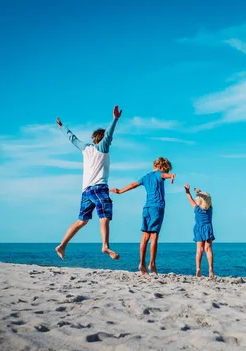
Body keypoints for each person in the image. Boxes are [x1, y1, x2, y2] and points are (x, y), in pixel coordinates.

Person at [54, 105, 123, 261]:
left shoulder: (86, 148)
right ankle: (105, 245)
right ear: (102, 139)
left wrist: (61, 127)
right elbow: (109, 135)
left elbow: (72, 138)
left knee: (81, 220)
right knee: (105, 215)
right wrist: (115, 119)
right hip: (99, 188)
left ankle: (62, 245)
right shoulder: (103, 147)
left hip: (86, 191)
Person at [111, 158, 175, 275]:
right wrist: (171, 176)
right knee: (154, 236)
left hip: (146, 208)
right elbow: (164, 175)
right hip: (157, 207)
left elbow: (133, 184)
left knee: (145, 236)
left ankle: (142, 263)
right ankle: (152, 264)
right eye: (166, 168)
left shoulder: (146, 177)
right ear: (161, 166)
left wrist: (120, 191)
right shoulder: (160, 174)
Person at [184, 184, 215, 278]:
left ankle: (198, 268)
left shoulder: (196, 208)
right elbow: (206, 198)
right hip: (208, 228)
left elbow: (189, 197)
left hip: (198, 228)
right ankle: (210, 270)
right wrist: (199, 191)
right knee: (208, 249)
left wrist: (187, 191)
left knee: (199, 250)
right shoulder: (210, 208)